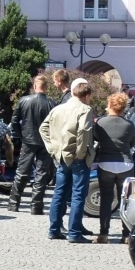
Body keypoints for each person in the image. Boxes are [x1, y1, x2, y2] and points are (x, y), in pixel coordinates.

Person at [41, 77, 95, 242]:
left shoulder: (58, 109)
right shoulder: (85, 109)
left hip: (61, 155)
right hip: (77, 156)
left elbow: (43, 128)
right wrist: (81, 151)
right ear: (86, 95)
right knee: (78, 195)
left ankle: (54, 229)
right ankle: (74, 233)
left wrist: (52, 148)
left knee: (59, 193)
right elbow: (84, 131)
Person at [91, 91, 135, 243]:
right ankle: (126, 235)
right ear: (124, 107)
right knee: (126, 200)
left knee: (106, 199)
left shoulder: (100, 123)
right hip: (125, 163)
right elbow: (133, 143)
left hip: (106, 162)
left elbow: (96, 139)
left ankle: (104, 234)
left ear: (109, 105)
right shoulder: (129, 124)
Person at [9, 75, 56, 216]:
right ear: (46, 87)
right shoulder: (52, 103)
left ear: (35, 86)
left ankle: (13, 203)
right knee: (41, 174)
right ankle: (36, 206)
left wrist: (21, 135)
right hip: (45, 141)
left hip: (28, 140)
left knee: (22, 172)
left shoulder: (24, 101)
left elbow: (14, 121)